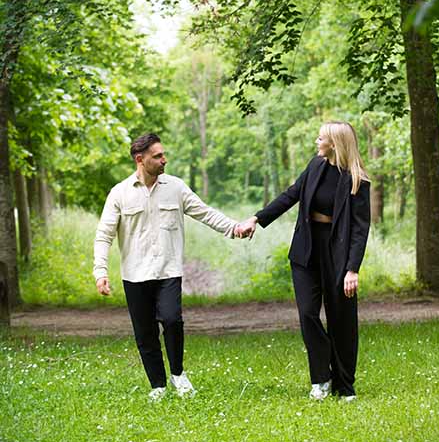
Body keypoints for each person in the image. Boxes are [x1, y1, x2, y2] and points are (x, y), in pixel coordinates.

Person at [93, 133, 249, 400]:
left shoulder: (176, 188)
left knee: (172, 319)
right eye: (158, 156)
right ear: (140, 160)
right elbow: (104, 234)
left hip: (168, 271)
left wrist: (234, 227)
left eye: (163, 154)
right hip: (135, 274)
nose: (164, 160)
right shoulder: (119, 193)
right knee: (145, 333)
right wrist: (101, 271)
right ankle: (158, 386)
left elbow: (205, 212)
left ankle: (178, 373)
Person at [235, 121, 370, 402]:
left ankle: (345, 386)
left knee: (342, 320)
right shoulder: (315, 166)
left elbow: (360, 229)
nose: (316, 141)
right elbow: (291, 195)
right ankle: (321, 378)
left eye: (320, 138)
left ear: (334, 144)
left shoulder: (357, 180)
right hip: (307, 250)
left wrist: (352, 269)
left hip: (338, 254)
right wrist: (257, 219)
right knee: (308, 314)